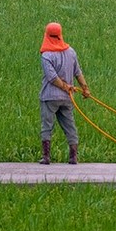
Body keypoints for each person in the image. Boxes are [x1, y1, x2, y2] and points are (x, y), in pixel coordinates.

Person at [38, 22, 90, 165]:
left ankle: (46, 157)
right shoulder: (71, 52)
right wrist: (85, 88)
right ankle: (73, 157)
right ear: (60, 35)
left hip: (49, 96)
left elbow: (52, 77)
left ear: (46, 35)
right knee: (70, 126)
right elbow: (78, 72)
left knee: (47, 125)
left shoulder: (46, 55)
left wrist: (65, 86)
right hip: (67, 98)